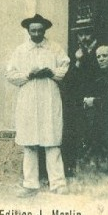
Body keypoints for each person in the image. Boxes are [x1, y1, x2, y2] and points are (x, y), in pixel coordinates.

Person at [4, 13, 70, 196]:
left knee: (51, 141)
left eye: (40, 30)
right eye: (33, 30)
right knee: (30, 143)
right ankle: (30, 184)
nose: (36, 34)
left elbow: (65, 66)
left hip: (49, 97)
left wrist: (51, 73)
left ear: (45, 30)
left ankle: (58, 183)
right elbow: (10, 74)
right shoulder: (20, 51)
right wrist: (28, 75)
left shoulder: (54, 49)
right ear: (28, 31)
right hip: (29, 99)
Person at [61, 16, 99, 176]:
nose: (84, 38)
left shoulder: (100, 53)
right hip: (78, 102)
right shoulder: (75, 54)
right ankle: (72, 170)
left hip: (95, 101)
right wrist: (77, 62)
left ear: (93, 35)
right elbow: (69, 81)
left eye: (87, 34)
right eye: (80, 35)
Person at [84, 44, 108, 173]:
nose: (101, 59)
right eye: (98, 57)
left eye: (105, 56)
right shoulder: (98, 76)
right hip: (102, 119)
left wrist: (94, 102)